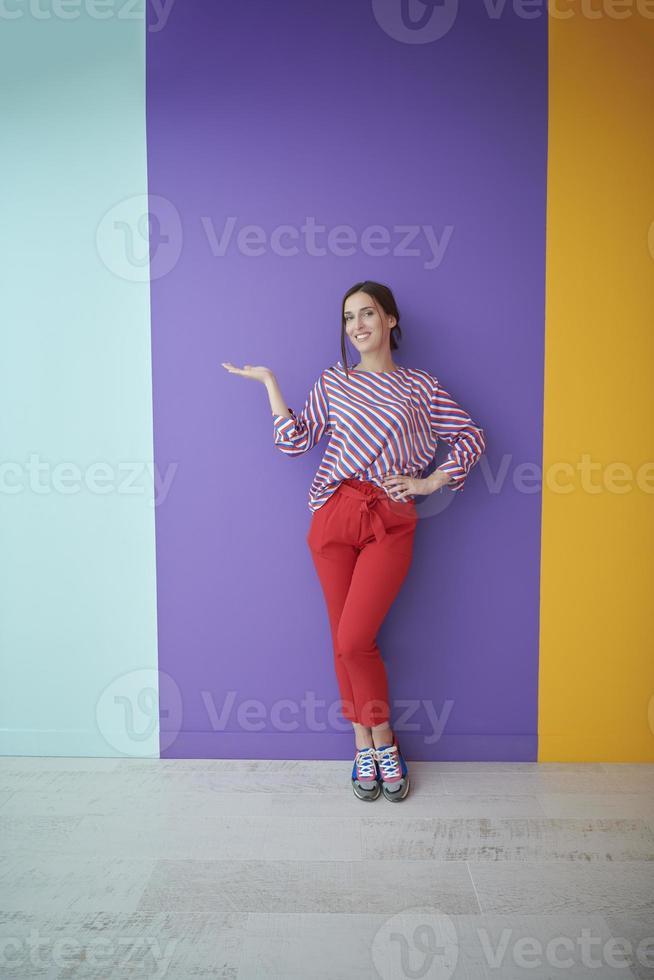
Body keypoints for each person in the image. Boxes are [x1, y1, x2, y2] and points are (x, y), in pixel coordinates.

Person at [221, 280, 486, 802]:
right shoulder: (335, 382)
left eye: (367, 314)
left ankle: (382, 736)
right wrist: (271, 383)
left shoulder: (422, 387)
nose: (357, 326)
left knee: (352, 639)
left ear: (390, 320)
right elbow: (295, 441)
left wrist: (432, 481)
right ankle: (364, 740)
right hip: (335, 515)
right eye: (348, 318)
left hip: (389, 515)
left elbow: (471, 436)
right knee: (341, 639)